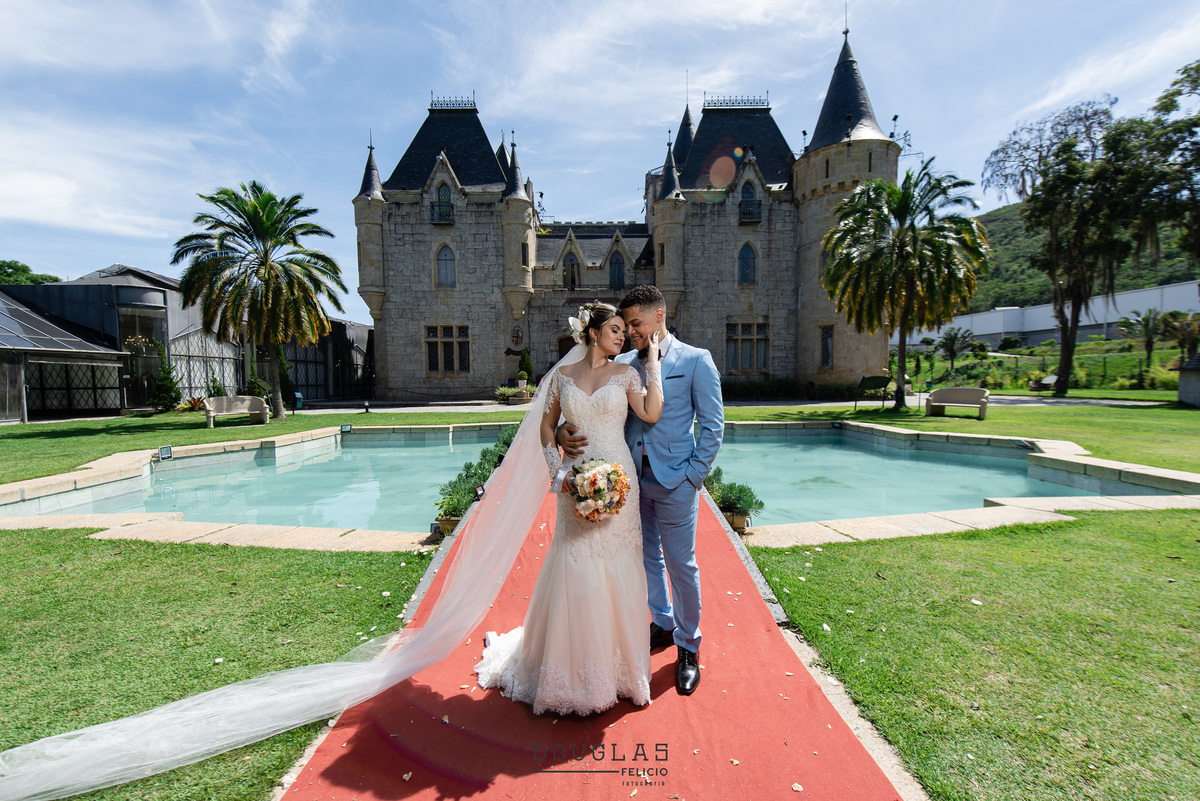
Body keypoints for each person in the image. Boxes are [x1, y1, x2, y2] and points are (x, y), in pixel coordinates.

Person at [474, 302, 663, 715]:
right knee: (574, 564)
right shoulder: (561, 378)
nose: (622, 336)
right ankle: (571, 672)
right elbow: (545, 426)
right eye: (614, 329)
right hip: (573, 482)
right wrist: (558, 473)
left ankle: (620, 672)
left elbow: (651, 411)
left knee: (619, 566)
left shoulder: (627, 373)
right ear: (592, 333)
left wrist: (652, 362)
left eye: (623, 331)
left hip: (619, 482)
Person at [558, 285, 723, 696]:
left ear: (659, 317)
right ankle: (662, 623)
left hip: (676, 481)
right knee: (646, 557)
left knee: (681, 564)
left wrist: (693, 476)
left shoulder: (696, 361)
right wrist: (563, 430)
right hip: (628, 483)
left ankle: (688, 646)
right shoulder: (625, 364)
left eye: (635, 323)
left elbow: (713, 426)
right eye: (625, 324)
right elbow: (594, 407)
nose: (629, 331)